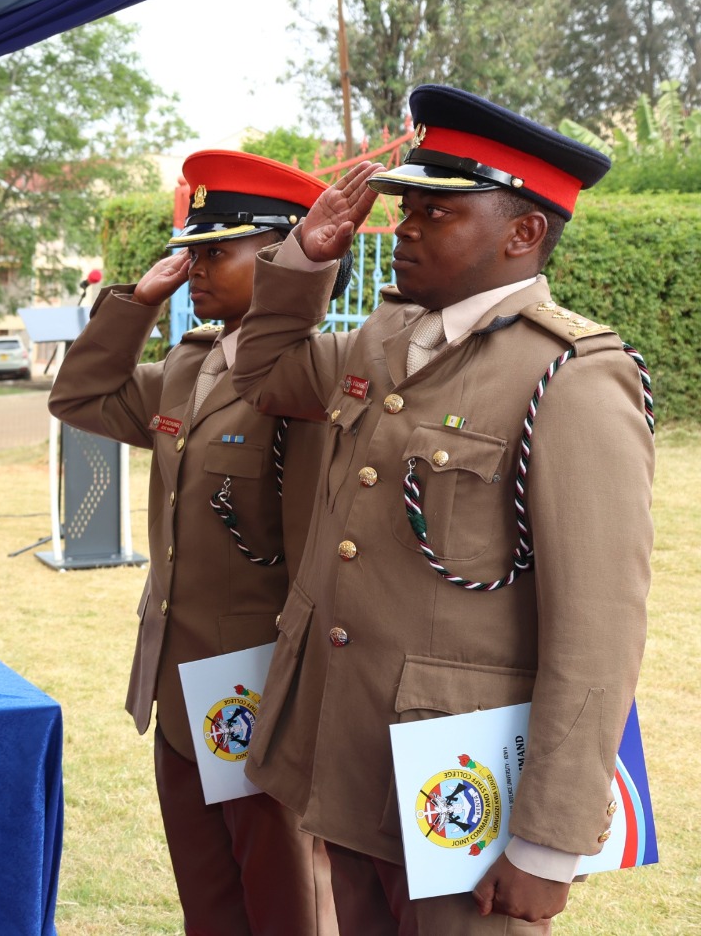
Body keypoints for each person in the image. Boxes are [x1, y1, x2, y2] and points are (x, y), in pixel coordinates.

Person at [230, 85, 650, 933]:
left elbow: (599, 630)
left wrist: (546, 843)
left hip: (464, 791)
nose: (406, 227)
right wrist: (305, 262)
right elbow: (267, 376)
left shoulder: (570, 377)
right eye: (407, 206)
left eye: (439, 211)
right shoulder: (388, 337)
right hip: (352, 757)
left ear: (523, 232)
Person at [49, 150, 340, 936]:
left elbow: (316, 547)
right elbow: (78, 396)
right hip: (180, 683)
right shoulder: (189, 365)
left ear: (282, 255)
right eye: (193, 247)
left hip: (261, 683)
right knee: (209, 902)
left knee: (285, 900)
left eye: (219, 250)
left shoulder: (312, 381)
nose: (195, 266)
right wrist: (137, 302)